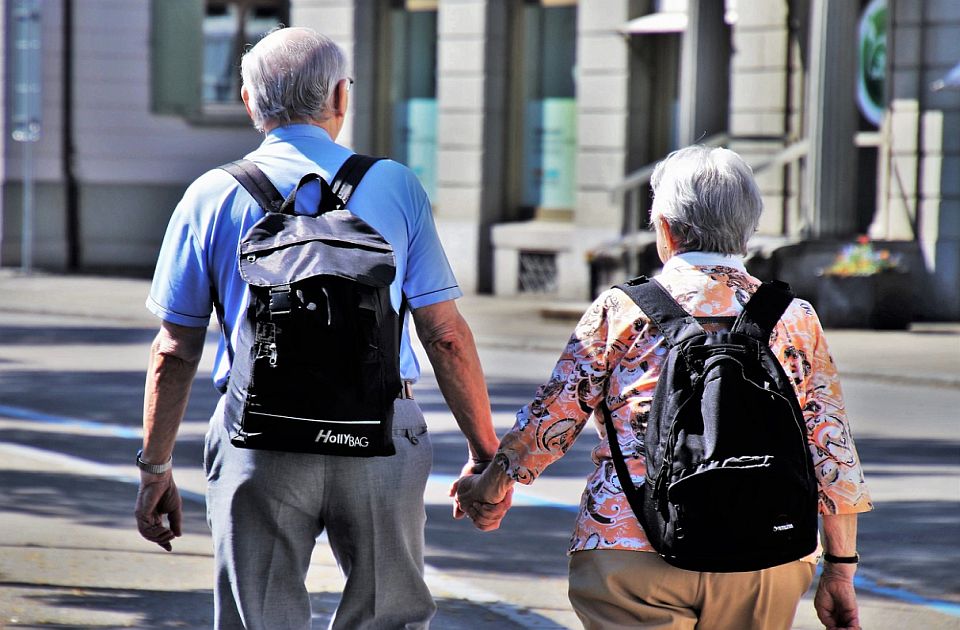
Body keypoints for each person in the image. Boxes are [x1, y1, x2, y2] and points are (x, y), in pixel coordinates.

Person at [134, 26, 503, 629]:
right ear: (340, 97)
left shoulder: (209, 195)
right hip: (382, 433)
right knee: (389, 614)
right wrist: (487, 455)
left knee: (262, 615)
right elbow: (446, 336)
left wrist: (155, 469)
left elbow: (174, 352)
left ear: (250, 103)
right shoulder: (396, 186)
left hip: (258, 436)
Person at [455, 145, 873, 630]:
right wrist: (840, 570)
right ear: (747, 228)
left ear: (667, 229)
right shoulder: (794, 318)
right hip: (766, 555)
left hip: (631, 547)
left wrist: (492, 485)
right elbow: (832, 449)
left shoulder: (622, 309)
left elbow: (554, 417)